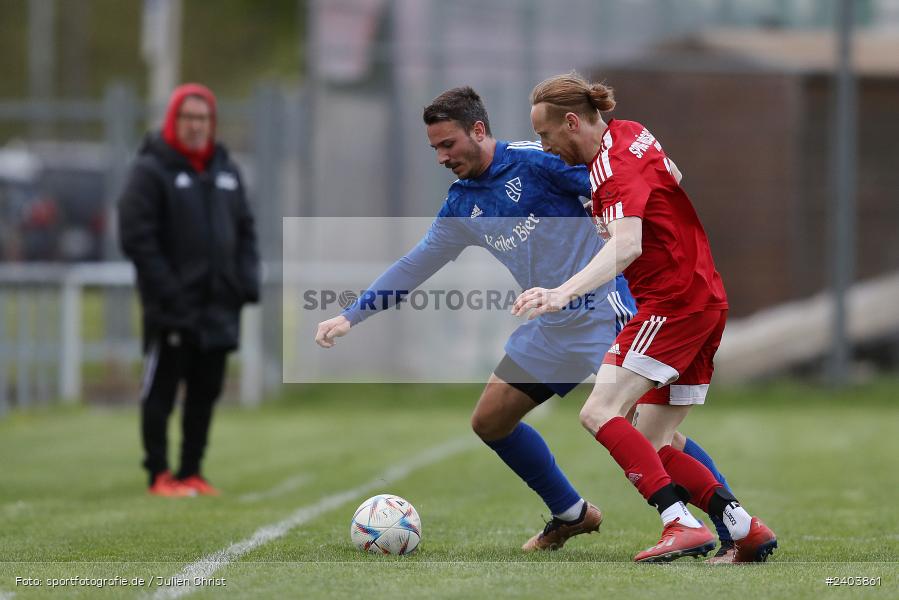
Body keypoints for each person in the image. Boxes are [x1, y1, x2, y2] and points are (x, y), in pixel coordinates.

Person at [315, 86, 734, 553]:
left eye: (447, 144)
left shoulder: (537, 160)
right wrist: (352, 315)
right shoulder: (461, 205)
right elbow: (415, 265)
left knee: (653, 433)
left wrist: (663, 181)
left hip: (604, 311)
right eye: (434, 148)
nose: (441, 157)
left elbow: (619, 179)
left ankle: (729, 526)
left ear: (478, 131)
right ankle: (571, 514)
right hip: (552, 326)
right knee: (490, 421)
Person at [513, 72, 777, 563]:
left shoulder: (610, 170)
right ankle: (745, 530)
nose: (545, 146)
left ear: (572, 122)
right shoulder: (632, 132)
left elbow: (628, 245)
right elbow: (671, 176)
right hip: (704, 298)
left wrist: (560, 293)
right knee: (652, 440)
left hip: (671, 304)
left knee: (598, 413)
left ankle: (680, 524)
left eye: (547, 135)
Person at [119, 83, 260, 497]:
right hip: (172, 306)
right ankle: (159, 473)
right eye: (188, 117)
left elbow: (246, 230)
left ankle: (191, 471)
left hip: (220, 305)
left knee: (205, 391)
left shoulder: (226, 170)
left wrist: (244, 282)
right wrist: (167, 290)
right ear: (173, 120)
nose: (196, 126)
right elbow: (136, 237)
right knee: (162, 388)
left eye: (203, 118)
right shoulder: (150, 170)